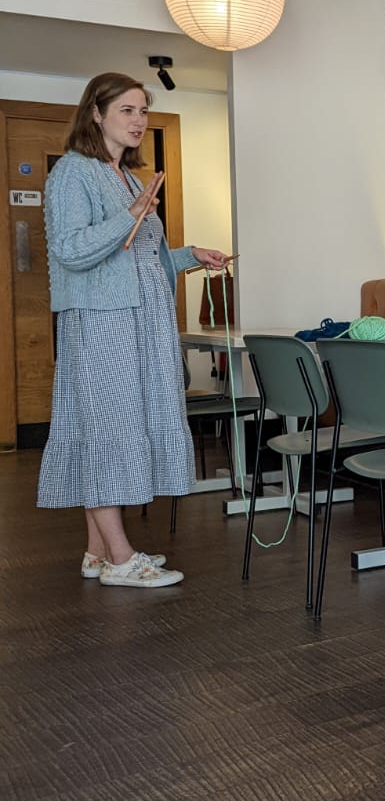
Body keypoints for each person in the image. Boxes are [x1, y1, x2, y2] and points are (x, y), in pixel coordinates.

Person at [37, 73, 233, 587]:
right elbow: (71, 250)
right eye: (127, 110)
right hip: (103, 321)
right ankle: (122, 560)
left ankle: (97, 553)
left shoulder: (123, 175)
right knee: (107, 429)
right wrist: (131, 213)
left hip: (139, 320)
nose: (139, 120)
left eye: (143, 110)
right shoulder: (74, 173)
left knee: (118, 426)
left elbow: (139, 259)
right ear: (95, 113)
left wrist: (191, 256)